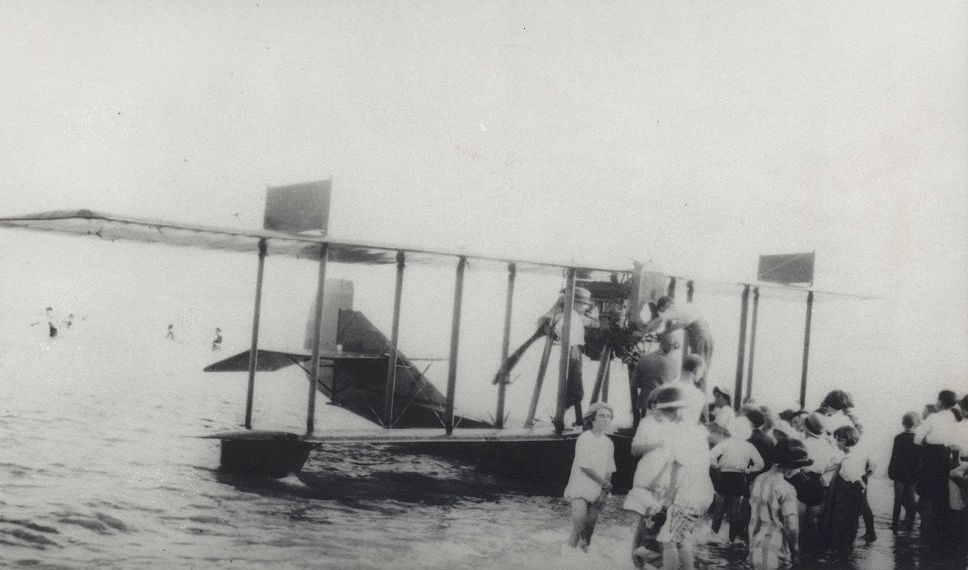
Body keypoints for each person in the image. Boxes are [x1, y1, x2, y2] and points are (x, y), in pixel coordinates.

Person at [655, 385, 714, 570]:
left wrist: (667, 499)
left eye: (665, 411)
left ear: (676, 410)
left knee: (668, 539)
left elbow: (677, 468)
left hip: (689, 494)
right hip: (702, 492)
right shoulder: (696, 430)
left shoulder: (681, 431)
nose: (663, 415)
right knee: (680, 539)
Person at [625, 388, 676, 570]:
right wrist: (656, 444)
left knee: (658, 522)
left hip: (665, 477)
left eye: (663, 405)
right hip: (646, 475)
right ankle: (638, 564)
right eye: (655, 405)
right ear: (652, 406)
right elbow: (634, 450)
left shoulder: (673, 425)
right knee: (644, 521)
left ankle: (649, 560)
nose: (658, 409)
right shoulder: (645, 423)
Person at [748, 438, 813, 569]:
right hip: (776, 551)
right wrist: (795, 553)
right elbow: (791, 526)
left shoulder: (758, 480)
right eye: (799, 466)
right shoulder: (787, 489)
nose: (799, 471)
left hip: (754, 547)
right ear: (789, 465)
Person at [539, 287, 598, 425]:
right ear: (574, 303)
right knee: (576, 390)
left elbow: (590, 322)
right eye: (583, 305)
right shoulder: (569, 316)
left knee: (574, 389)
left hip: (574, 351)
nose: (585, 308)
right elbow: (560, 328)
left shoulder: (574, 315)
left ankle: (566, 418)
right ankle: (561, 418)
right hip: (572, 351)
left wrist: (594, 319)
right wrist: (570, 344)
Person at [563, 402, 615, 552]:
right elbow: (584, 466)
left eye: (608, 416)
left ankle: (583, 559)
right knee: (579, 526)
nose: (605, 419)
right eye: (602, 416)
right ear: (593, 419)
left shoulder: (608, 443)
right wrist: (604, 483)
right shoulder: (584, 438)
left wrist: (604, 492)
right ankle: (566, 559)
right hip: (580, 486)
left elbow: (609, 469)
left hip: (598, 489)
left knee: (588, 532)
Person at [709, 416, 764, 545]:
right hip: (739, 477)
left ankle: (713, 536)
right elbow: (760, 464)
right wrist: (748, 470)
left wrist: (716, 465)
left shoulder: (726, 442)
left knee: (719, 509)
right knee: (735, 512)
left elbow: (711, 455)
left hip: (724, 475)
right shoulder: (749, 446)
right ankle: (731, 540)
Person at [818, 425, 865, 555]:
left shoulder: (848, 462)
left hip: (844, 505)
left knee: (841, 533)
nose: (836, 443)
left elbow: (859, 484)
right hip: (843, 504)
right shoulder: (851, 458)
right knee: (844, 533)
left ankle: (840, 556)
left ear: (844, 440)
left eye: (838, 440)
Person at [641, 296, 714, 372]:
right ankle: (699, 379)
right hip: (706, 335)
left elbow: (658, 321)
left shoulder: (672, 308)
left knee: (696, 364)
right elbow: (678, 326)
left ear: (666, 305)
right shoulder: (683, 307)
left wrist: (642, 333)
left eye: (662, 310)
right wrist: (664, 333)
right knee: (703, 363)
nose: (663, 313)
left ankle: (696, 378)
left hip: (699, 336)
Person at [633, 334, 679, 422]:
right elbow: (673, 384)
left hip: (647, 405)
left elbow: (635, 385)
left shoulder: (644, 359)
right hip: (664, 405)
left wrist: (635, 414)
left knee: (645, 426)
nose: (673, 347)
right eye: (673, 345)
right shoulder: (673, 362)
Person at [888, 411, 921, 533]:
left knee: (898, 499)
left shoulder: (898, 438)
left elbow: (894, 456)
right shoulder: (918, 439)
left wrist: (890, 471)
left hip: (899, 472)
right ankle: (910, 526)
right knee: (911, 500)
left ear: (904, 423)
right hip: (913, 472)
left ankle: (894, 525)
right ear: (916, 423)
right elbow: (920, 459)